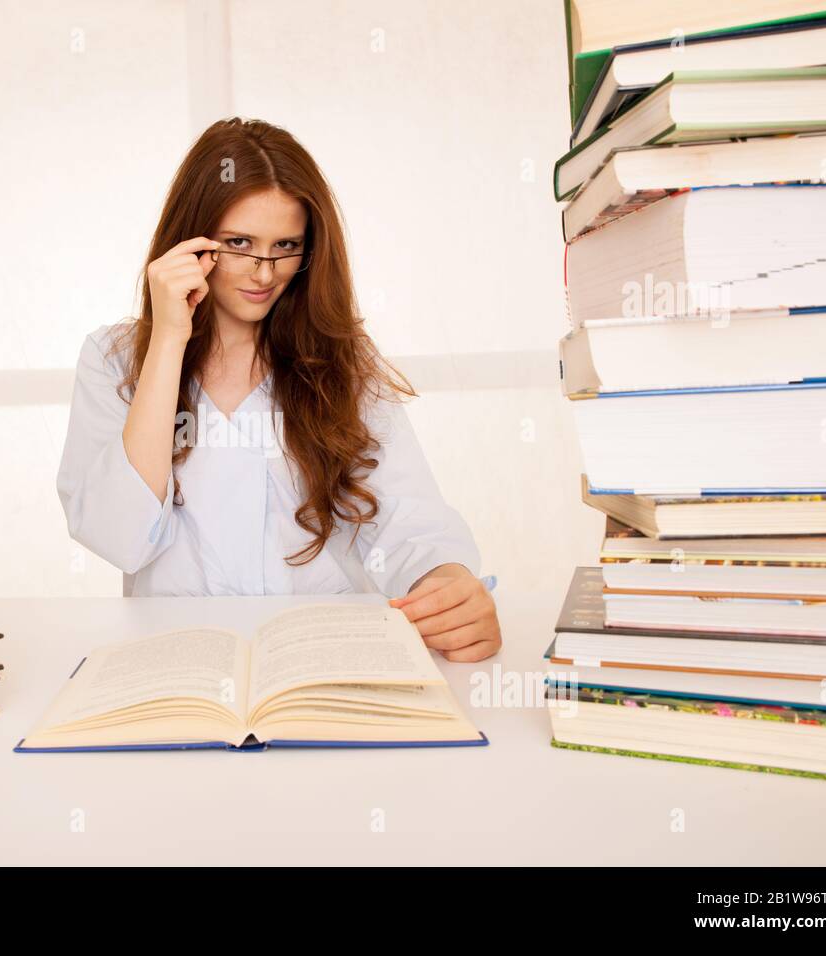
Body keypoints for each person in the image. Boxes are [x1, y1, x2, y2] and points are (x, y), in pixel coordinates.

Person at [57, 118, 500, 662]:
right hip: (176, 666)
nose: (264, 273)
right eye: (239, 243)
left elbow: (403, 514)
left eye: (286, 246)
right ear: (191, 241)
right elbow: (117, 535)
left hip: (318, 660)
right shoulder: (116, 359)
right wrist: (168, 342)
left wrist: (446, 579)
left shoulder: (341, 360)